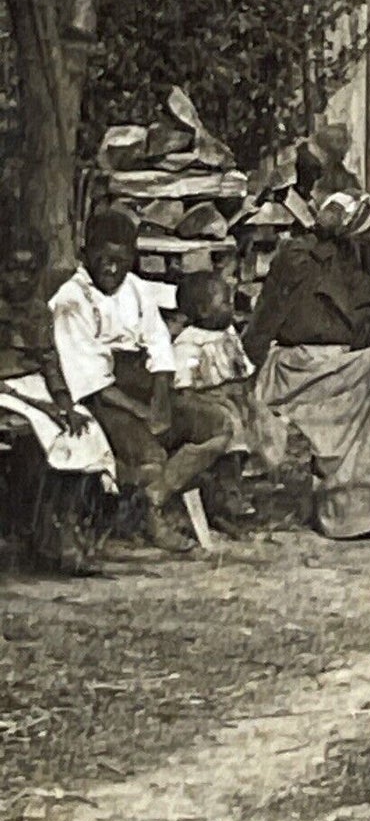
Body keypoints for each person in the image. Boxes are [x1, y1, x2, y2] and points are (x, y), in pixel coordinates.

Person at [242, 191, 370, 542]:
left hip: (346, 373)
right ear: (353, 235)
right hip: (298, 373)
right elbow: (261, 329)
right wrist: (246, 389)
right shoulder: (298, 260)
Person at [49, 207, 230, 553]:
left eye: (121, 259)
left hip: (143, 388)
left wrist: (161, 399)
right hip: (104, 399)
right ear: (86, 253)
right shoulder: (72, 301)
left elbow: (158, 342)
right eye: (103, 258)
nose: (112, 268)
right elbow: (91, 383)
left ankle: (153, 498)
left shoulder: (134, 288)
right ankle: (151, 520)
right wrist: (145, 414)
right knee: (150, 455)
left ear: (132, 259)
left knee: (217, 426)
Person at [0, 223, 116, 573]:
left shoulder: (38, 312)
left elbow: (50, 363)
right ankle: (30, 533)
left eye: (29, 270)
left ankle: (61, 527)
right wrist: (44, 406)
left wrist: (64, 403)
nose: (20, 278)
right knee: (32, 435)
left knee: (83, 429)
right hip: (4, 389)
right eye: (12, 269)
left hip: (33, 387)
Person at [171, 271, 288, 525]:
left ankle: (257, 479)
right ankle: (228, 492)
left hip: (236, 397)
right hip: (207, 402)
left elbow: (243, 370)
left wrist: (248, 398)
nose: (232, 307)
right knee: (232, 427)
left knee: (264, 422)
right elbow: (184, 388)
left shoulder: (229, 335)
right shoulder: (189, 343)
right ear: (203, 310)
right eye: (225, 302)